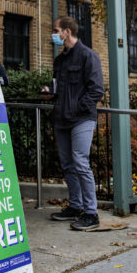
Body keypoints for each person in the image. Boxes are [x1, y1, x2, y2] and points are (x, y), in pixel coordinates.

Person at [41, 17, 105, 231]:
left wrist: (76, 107)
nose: (54, 34)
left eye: (56, 30)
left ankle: (91, 213)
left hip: (81, 118)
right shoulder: (60, 61)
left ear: (67, 32)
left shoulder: (88, 56)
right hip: (62, 118)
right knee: (68, 164)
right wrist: (50, 94)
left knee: (80, 162)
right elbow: (59, 87)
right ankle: (75, 206)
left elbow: (96, 90)